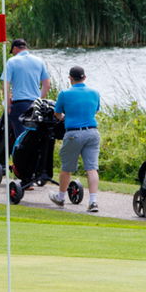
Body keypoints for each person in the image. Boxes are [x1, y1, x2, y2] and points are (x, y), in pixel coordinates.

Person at [50, 65, 101, 213]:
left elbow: (57, 113)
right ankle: (93, 202)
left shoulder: (65, 93)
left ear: (70, 78)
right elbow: (95, 110)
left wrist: (64, 117)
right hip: (92, 132)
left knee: (66, 168)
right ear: (84, 77)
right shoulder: (95, 93)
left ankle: (60, 197)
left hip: (73, 133)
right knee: (92, 168)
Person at [2, 37, 51, 148]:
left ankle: (21, 164)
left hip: (19, 104)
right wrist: (39, 99)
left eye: (12, 52)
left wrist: (8, 104)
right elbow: (47, 85)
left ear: (15, 49)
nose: (13, 54)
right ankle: (34, 164)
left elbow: (6, 85)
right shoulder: (39, 61)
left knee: (21, 138)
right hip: (35, 105)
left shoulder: (11, 62)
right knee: (35, 136)